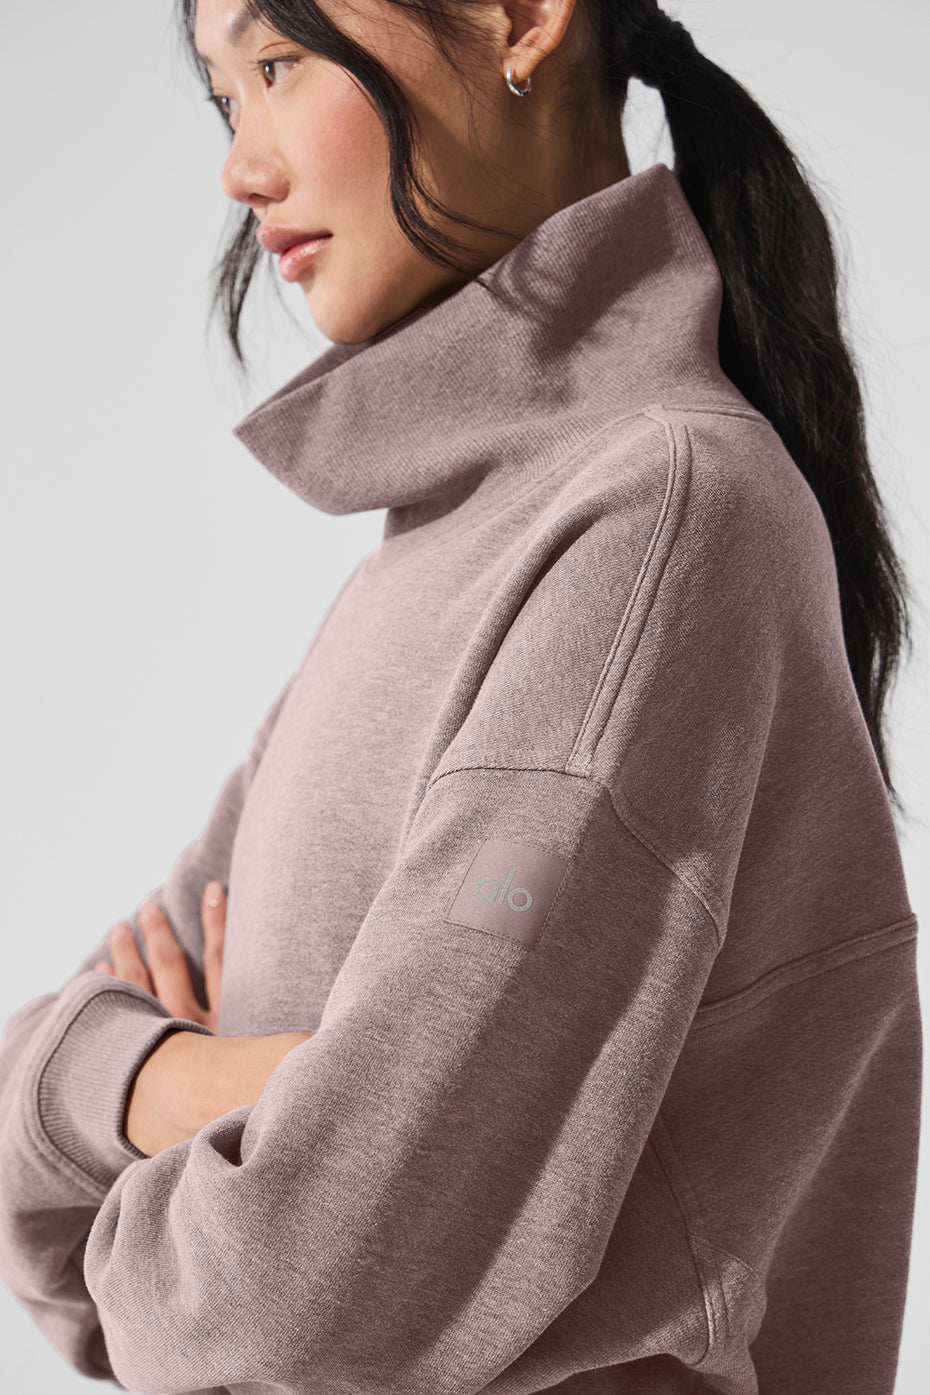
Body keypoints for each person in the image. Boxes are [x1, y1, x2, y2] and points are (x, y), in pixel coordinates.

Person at [0, 1, 921, 1392]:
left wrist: (174, 1149)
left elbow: (313, 1289)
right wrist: (180, 1082)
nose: (240, 167)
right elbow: (40, 1203)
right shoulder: (438, 564)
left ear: (519, 17)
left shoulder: (656, 526)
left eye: (278, 64)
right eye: (224, 99)